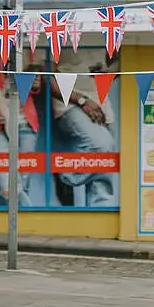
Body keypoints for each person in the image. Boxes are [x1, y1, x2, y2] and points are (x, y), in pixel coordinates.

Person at [49, 50, 119, 207]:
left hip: (102, 103)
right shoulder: (57, 31)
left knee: (105, 159)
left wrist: (109, 71)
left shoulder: (106, 29)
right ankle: (66, 175)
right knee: (101, 145)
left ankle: (100, 210)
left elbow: (118, 58)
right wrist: (82, 101)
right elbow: (48, 78)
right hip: (70, 104)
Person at [0, 52, 41, 205]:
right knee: (6, 180)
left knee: (24, 179)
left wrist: (34, 82)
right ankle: (29, 217)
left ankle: (22, 222)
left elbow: (34, 82)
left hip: (25, 120)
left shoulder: (27, 46)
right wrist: (6, 114)